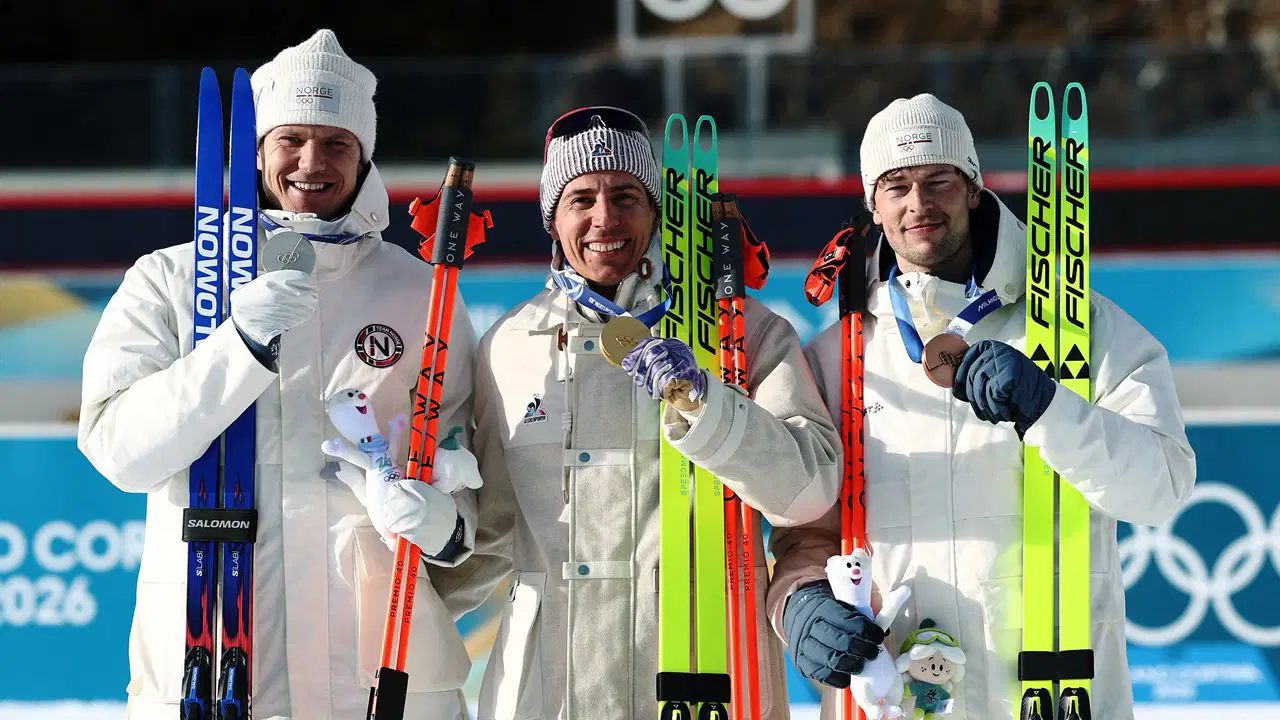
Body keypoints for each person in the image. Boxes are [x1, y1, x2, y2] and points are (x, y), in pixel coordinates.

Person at [77, 29, 484, 720]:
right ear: (259, 150)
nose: (311, 162)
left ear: (364, 156)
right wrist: (238, 347)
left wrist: (444, 521)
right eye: (290, 138)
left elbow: (465, 467)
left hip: (384, 680)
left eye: (337, 143)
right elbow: (121, 453)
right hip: (215, 667)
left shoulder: (421, 291)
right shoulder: (169, 279)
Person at [766, 93, 1197, 719]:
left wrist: (1050, 409)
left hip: (1052, 692)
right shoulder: (838, 356)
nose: (919, 203)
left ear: (973, 189)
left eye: (939, 181)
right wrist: (799, 602)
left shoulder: (1079, 328)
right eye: (896, 186)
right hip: (902, 696)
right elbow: (806, 531)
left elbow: (1163, 488)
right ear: (873, 205)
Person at [436, 105, 843, 718]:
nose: (605, 218)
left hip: (703, 674)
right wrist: (398, 600)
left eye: (626, 196)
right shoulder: (510, 347)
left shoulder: (743, 333)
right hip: (550, 689)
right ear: (553, 219)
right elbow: (491, 535)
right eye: (581, 199)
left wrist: (705, 405)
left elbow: (810, 489)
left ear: (656, 211)